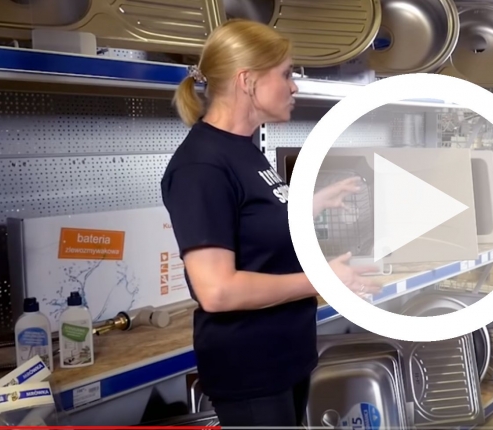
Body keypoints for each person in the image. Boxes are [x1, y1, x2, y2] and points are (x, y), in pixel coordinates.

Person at [160, 19, 382, 427]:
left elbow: (253, 221)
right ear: (247, 81)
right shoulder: (201, 167)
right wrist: (321, 280)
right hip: (250, 369)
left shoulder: (242, 150)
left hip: (284, 357)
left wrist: (313, 204)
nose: (294, 86)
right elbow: (217, 291)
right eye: (286, 74)